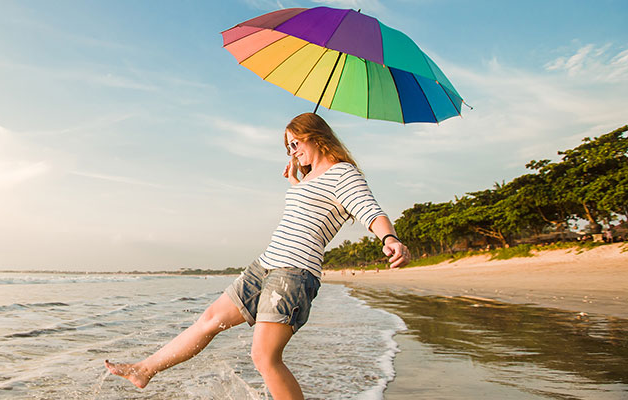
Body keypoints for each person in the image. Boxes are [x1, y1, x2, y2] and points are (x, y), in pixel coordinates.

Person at [104, 112, 410, 399]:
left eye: (295, 143)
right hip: (265, 265)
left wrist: (390, 238)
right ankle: (144, 370)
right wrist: (296, 182)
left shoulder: (343, 173)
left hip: (294, 272)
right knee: (209, 320)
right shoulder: (308, 178)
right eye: (288, 146)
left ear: (315, 137)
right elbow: (307, 209)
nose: (292, 151)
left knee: (264, 357)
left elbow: (370, 210)